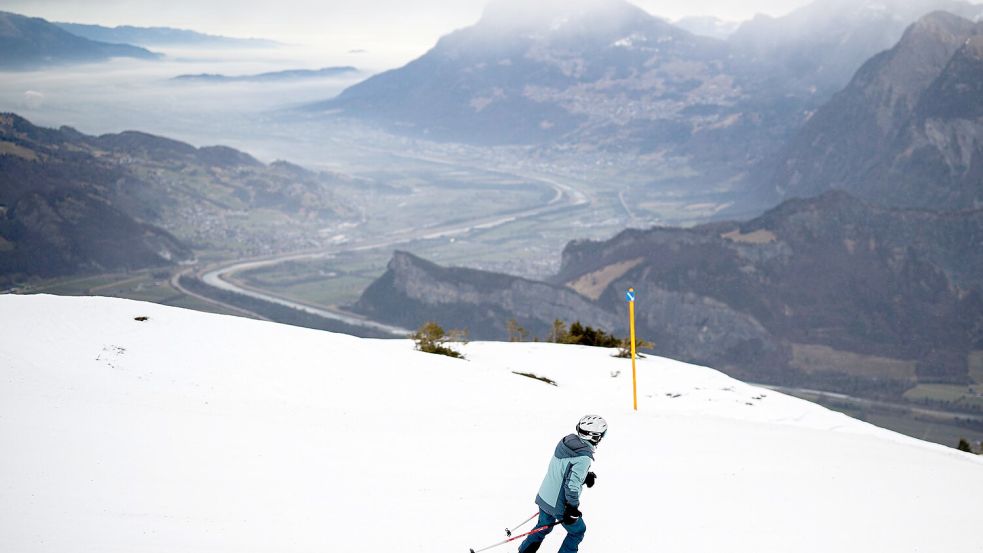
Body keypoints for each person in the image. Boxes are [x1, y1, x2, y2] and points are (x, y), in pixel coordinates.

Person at [518, 415, 607, 553]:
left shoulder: (566, 442)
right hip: (559, 504)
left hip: (545, 496)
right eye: (602, 435)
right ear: (595, 436)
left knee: (544, 526)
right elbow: (571, 485)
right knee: (578, 531)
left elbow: (564, 470)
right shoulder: (584, 457)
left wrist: (584, 476)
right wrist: (572, 507)